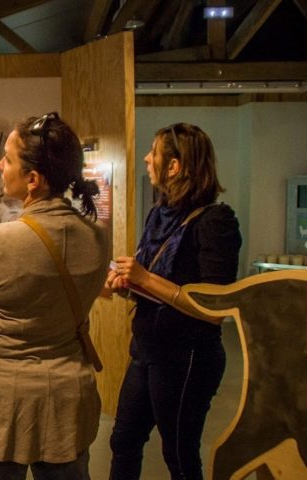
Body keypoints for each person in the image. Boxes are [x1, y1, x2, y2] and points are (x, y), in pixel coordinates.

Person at [0, 112, 109, 480]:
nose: (0, 165)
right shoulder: (98, 239)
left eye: (8, 158)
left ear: (33, 179)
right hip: (68, 402)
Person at [106, 123, 242, 480]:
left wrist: (144, 278)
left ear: (175, 166)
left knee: (178, 455)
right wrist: (128, 284)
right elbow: (154, 284)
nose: (147, 158)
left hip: (188, 358)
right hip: (147, 350)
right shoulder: (158, 215)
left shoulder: (216, 221)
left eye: (154, 152)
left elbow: (215, 309)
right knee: (123, 441)